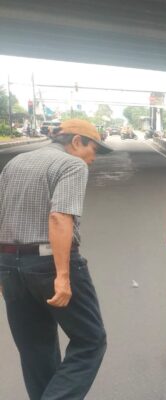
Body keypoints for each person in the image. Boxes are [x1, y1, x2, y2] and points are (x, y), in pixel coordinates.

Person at [0, 119, 111, 400]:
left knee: (36, 349)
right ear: (76, 142)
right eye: (93, 149)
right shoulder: (71, 165)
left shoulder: (15, 163)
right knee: (90, 341)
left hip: (10, 266)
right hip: (49, 264)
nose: (93, 157)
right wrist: (63, 275)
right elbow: (60, 217)